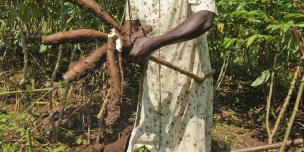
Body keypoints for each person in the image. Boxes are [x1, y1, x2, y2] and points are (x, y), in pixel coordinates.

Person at [124, 0, 217, 151]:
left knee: (186, 144)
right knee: (147, 143)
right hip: (153, 82)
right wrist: (125, 43)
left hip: (189, 80)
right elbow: (130, 27)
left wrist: (154, 43)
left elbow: (205, 17)